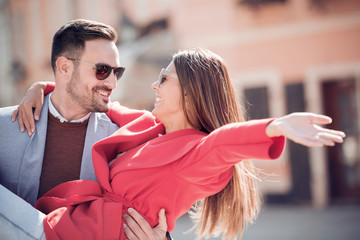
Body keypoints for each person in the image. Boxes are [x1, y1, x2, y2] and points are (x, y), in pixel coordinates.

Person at [8, 48, 345, 240]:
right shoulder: (153, 129)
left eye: (165, 78)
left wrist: (276, 126)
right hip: (67, 224)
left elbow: (221, 144)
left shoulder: (195, 153)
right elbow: (106, 105)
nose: (155, 86)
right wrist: (46, 86)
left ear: (191, 91)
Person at [0, 19, 169, 240]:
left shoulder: (123, 141)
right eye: (102, 70)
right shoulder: (4, 128)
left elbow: (148, 215)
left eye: (117, 72)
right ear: (65, 67)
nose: (112, 83)